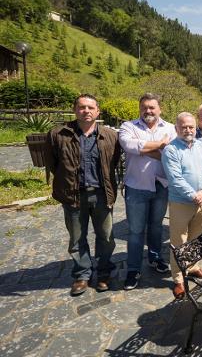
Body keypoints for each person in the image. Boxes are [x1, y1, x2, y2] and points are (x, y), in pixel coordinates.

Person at [45, 94, 120, 296]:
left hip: (101, 194)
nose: (86, 111)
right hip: (73, 195)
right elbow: (52, 163)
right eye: (81, 107)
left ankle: (104, 273)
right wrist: (67, 182)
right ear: (75, 109)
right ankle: (82, 275)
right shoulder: (58, 134)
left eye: (90, 107)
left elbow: (113, 164)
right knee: (77, 238)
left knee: (106, 237)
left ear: (97, 111)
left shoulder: (110, 136)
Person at [119, 93, 177, 290]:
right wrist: (161, 145)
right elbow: (129, 145)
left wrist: (144, 150)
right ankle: (133, 269)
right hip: (136, 186)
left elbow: (174, 153)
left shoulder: (171, 128)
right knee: (135, 231)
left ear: (160, 109)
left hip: (161, 185)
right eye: (144, 107)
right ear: (139, 109)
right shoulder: (129, 126)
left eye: (152, 107)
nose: (148, 111)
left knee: (156, 226)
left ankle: (155, 258)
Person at [162, 112, 202, 299]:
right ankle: (178, 279)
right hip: (181, 203)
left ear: (196, 128)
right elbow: (175, 179)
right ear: (177, 128)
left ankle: (193, 267)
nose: (188, 130)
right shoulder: (171, 150)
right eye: (183, 127)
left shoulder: (201, 145)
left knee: (196, 239)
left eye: (191, 127)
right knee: (179, 242)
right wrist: (194, 195)